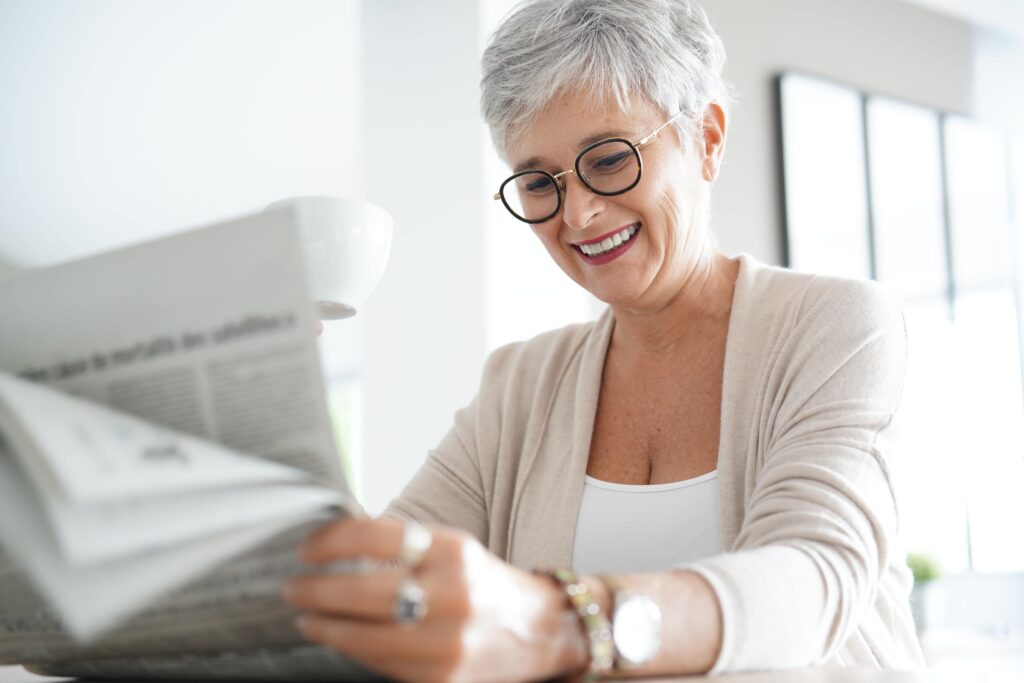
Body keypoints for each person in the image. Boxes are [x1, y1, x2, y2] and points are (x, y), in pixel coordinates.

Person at [283, 0, 926, 680]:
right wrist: (277, 396)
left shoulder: (838, 325)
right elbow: (383, 576)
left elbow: (810, 581)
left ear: (707, 138)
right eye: (538, 182)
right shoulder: (520, 386)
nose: (580, 213)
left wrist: (555, 621)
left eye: (610, 159)